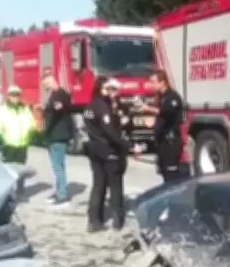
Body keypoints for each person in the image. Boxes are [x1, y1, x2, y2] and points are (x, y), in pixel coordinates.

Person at [84, 76, 142, 232]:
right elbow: (110, 132)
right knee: (115, 185)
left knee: (99, 185)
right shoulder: (102, 107)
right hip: (108, 150)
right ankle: (118, 220)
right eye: (107, 88)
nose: (109, 91)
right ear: (101, 89)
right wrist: (130, 147)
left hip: (95, 150)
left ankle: (94, 219)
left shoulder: (90, 106)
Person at [140, 71, 188, 183]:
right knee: (165, 174)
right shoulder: (161, 98)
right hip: (162, 143)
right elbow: (162, 117)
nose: (151, 85)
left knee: (172, 177)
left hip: (170, 143)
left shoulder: (172, 97)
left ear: (162, 83)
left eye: (153, 82)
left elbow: (167, 111)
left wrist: (149, 109)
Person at [0, 85, 36, 192]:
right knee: (8, 169)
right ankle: (9, 190)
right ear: (9, 96)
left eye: (17, 95)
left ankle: (20, 189)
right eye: (13, 95)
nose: (15, 98)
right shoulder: (3, 110)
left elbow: (32, 123)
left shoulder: (24, 109)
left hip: (22, 144)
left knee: (21, 168)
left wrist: (30, 133)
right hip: (9, 144)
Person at [41, 72, 74, 206]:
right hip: (53, 136)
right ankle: (59, 190)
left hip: (58, 136)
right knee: (56, 166)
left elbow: (55, 114)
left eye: (45, 85)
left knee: (58, 166)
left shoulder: (61, 95)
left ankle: (63, 195)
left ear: (50, 82)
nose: (44, 88)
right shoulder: (54, 95)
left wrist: (45, 131)